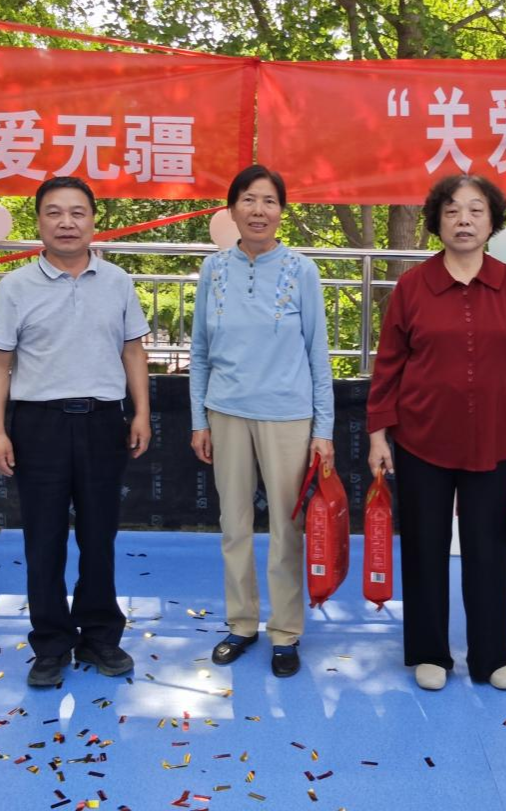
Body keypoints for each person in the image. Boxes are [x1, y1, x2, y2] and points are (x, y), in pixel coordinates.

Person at [366, 174, 506, 692]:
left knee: (488, 550)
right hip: (422, 437)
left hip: (494, 439)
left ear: (492, 222)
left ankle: (491, 656)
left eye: (475, 210)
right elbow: (389, 365)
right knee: (424, 547)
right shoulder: (412, 286)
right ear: (437, 222)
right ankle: (430, 652)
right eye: (451, 211)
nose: (463, 220)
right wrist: (379, 434)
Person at [0, 176, 152, 688]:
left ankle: (100, 636)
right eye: (54, 212)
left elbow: (133, 351)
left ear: (93, 221)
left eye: (77, 212)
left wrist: (141, 413)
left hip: (103, 422)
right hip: (39, 426)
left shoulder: (118, 282)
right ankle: (52, 644)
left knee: (100, 537)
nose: (66, 223)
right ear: (38, 222)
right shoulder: (15, 287)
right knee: (44, 540)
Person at [189, 164, 334, 679]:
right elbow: (199, 352)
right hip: (225, 413)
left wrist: (323, 431)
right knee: (233, 526)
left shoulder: (301, 271)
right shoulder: (213, 270)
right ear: (232, 209)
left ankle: (285, 631)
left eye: (269, 201)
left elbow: (318, 355)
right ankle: (242, 623)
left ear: (281, 211)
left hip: (288, 417)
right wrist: (199, 419)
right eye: (248, 200)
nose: (258, 210)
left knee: (286, 529)